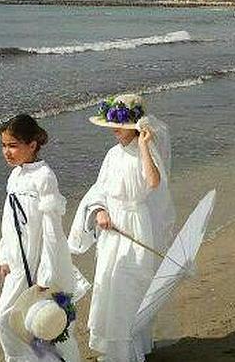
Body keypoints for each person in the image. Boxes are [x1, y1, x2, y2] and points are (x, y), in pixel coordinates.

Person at [68, 94, 175, 361]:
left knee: (129, 286)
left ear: (135, 125)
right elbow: (99, 190)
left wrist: (144, 146)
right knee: (109, 282)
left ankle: (129, 350)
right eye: (113, 125)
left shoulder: (146, 153)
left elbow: (153, 182)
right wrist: (100, 211)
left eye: (119, 124)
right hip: (111, 226)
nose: (114, 130)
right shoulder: (111, 154)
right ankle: (116, 350)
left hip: (134, 224)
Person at [0, 114, 87, 362]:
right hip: (17, 263)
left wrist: (46, 274)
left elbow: (52, 231)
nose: (7, 152)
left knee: (41, 324)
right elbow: (8, 223)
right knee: (12, 321)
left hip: (38, 264)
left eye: (13, 145)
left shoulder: (44, 177)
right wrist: (4, 256)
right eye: (4, 145)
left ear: (32, 145)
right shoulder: (14, 176)